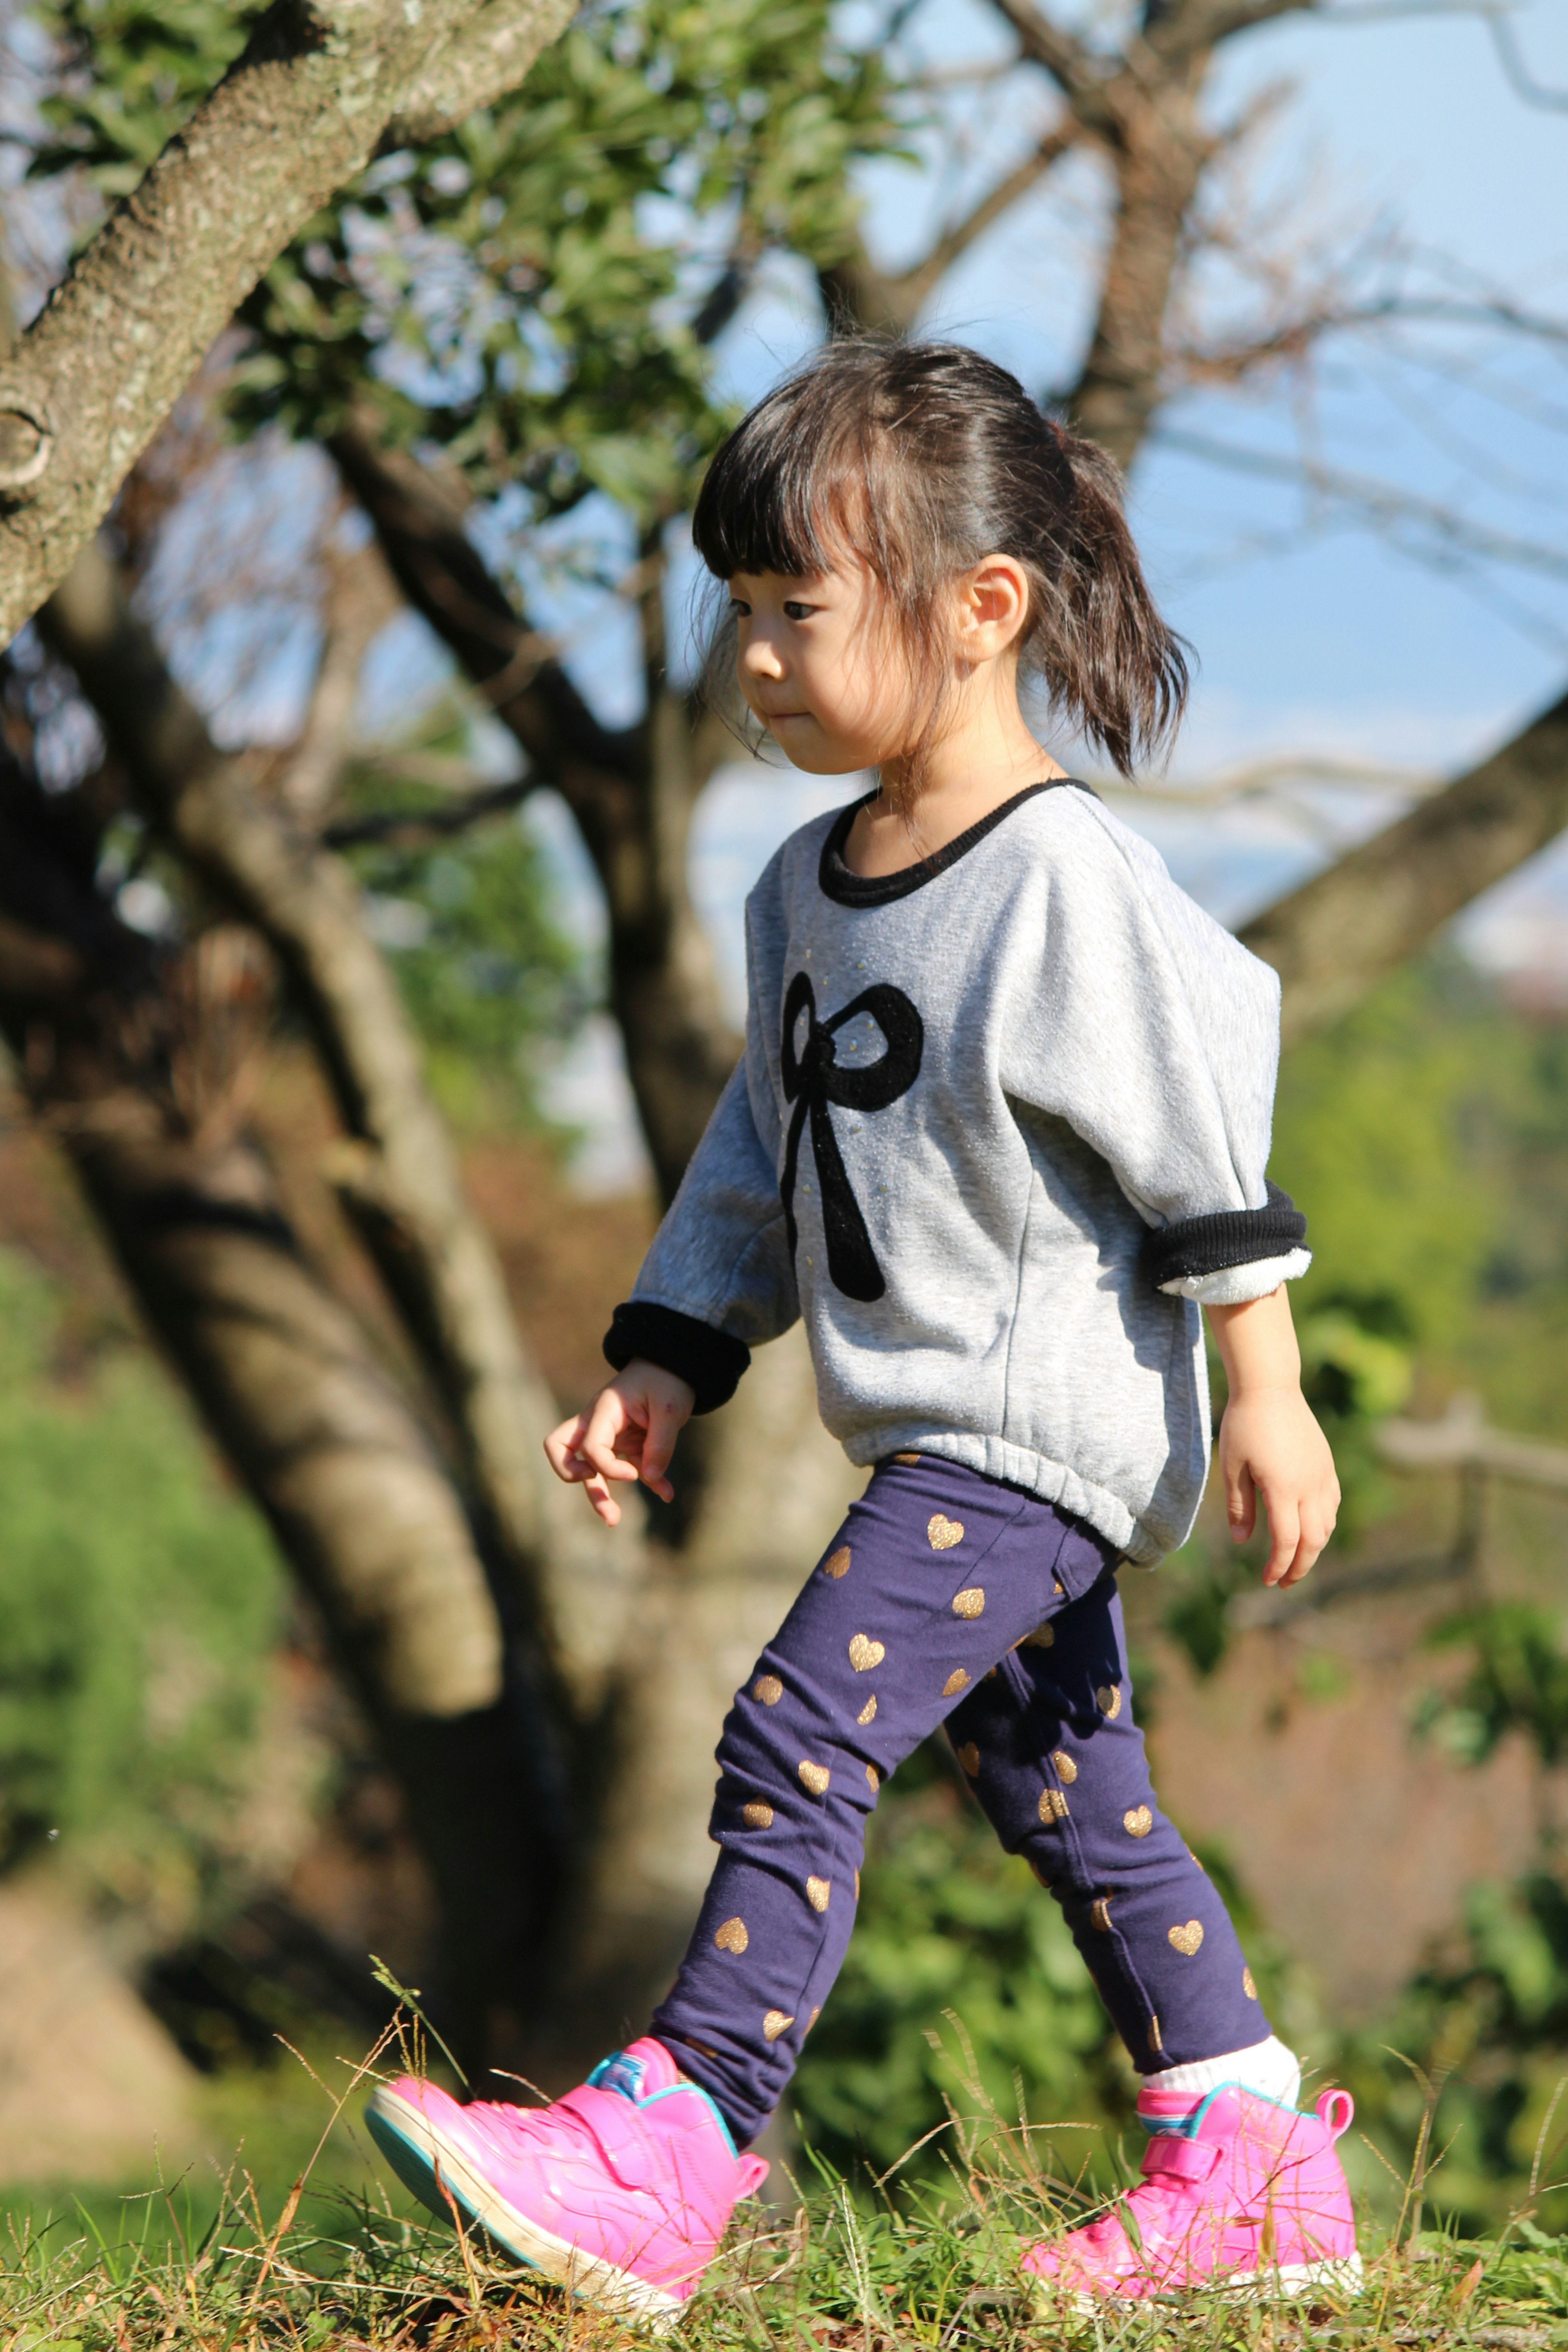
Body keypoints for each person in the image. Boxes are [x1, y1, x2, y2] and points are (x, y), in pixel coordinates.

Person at [365, 340, 1359, 2324]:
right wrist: (665, 1353)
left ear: (981, 610)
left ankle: (681, 2137)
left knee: (799, 1725)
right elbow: (760, 1150)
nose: (755, 659)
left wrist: (1270, 1390)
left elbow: (1199, 1145)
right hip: (925, 1426)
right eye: (739, 612)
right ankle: (1249, 2162)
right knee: (1074, 1793)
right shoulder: (804, 888)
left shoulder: (1062, 880)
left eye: (795, 610)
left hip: (1041, 1429)